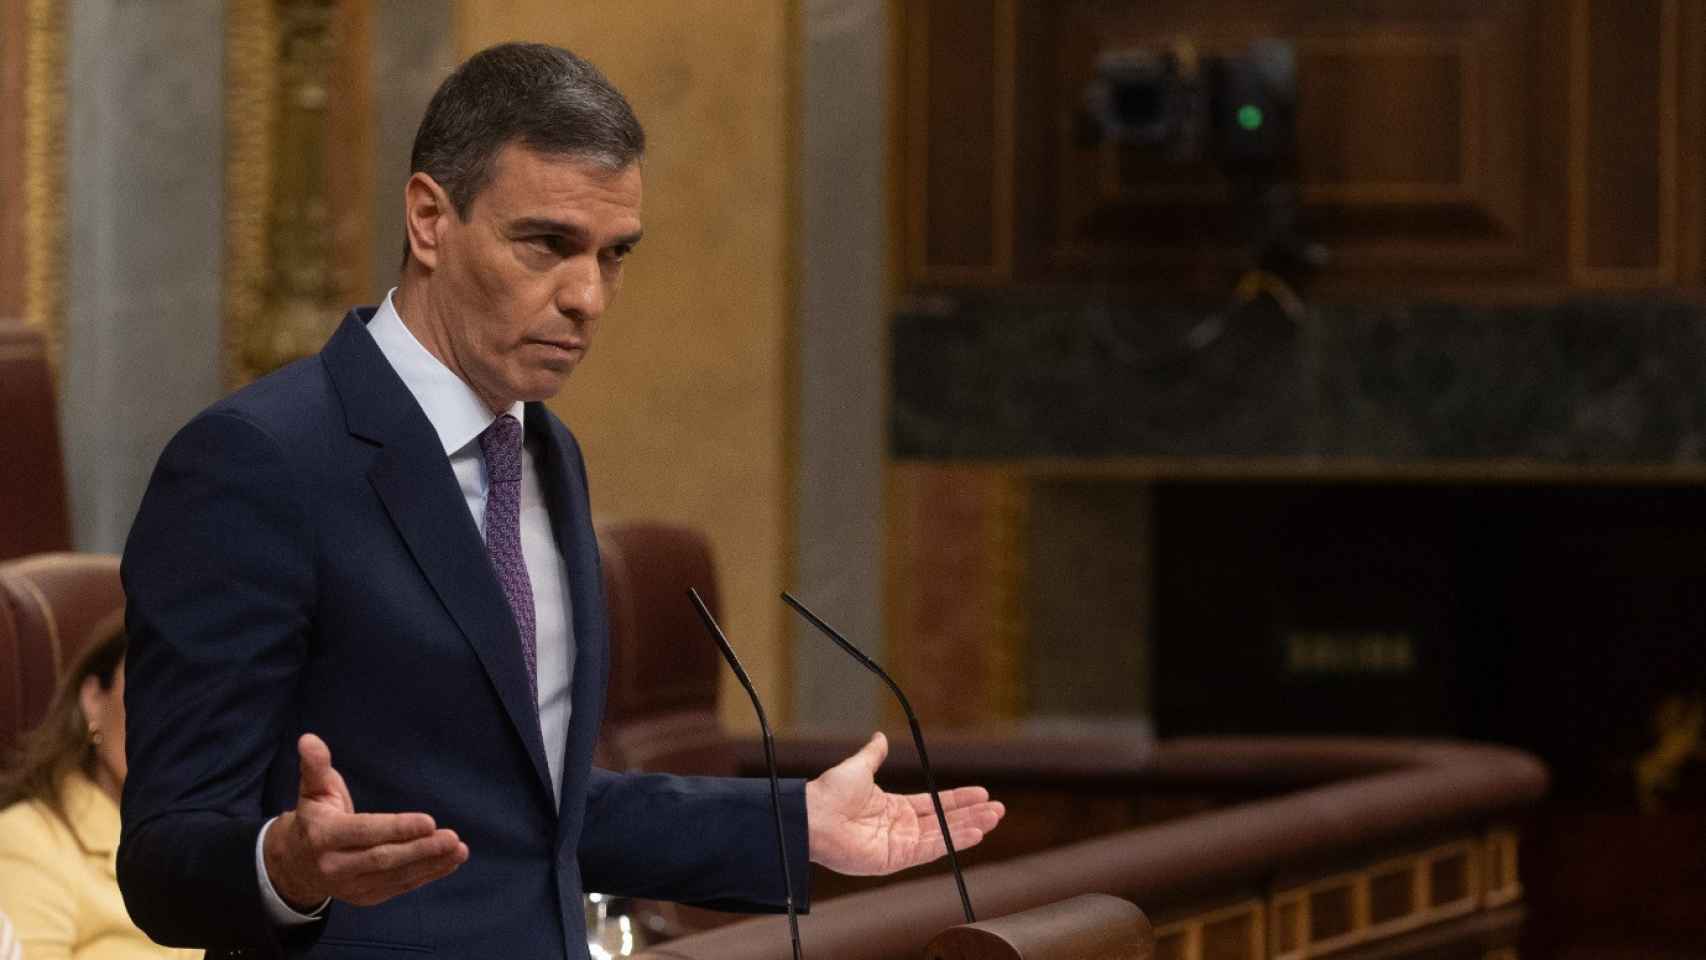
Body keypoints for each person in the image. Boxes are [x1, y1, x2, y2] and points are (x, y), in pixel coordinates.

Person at [118, 41, 1003, 960]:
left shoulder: (543, 450)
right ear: (429, 220)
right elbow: (163, 853)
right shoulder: (256, 463)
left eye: (614, 255)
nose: (587, 297)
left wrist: (792, 826)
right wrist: (285, 867)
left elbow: (527, 811)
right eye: (546, 244)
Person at [0, 614, 197, 960]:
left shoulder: (213, 839)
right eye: (151, 684)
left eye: (191, 696)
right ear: (93, 699)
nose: (171, 717)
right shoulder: (28, 839)